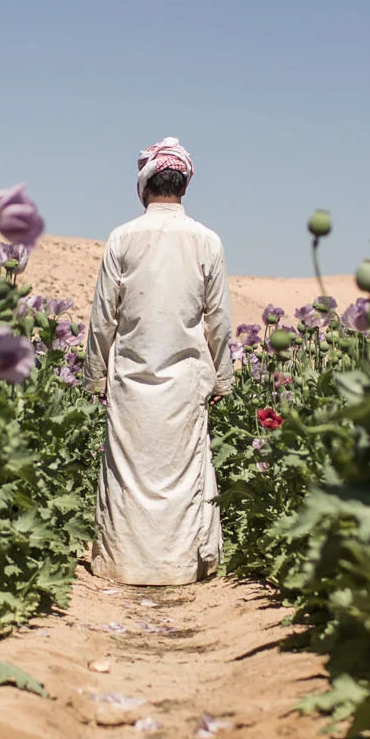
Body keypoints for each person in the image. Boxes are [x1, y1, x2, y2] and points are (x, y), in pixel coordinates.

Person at [85, 137, 230, 586]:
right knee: (182, 473)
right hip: (185, 382)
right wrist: (222, 378)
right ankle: (181, 568)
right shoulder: (207, 241)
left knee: (129, 474)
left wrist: (96, 376)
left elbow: (102, 318)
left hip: (130, 379)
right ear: (184, 186)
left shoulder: (122, 238)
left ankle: (123, 566)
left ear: (144, 185)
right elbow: (219, 321)